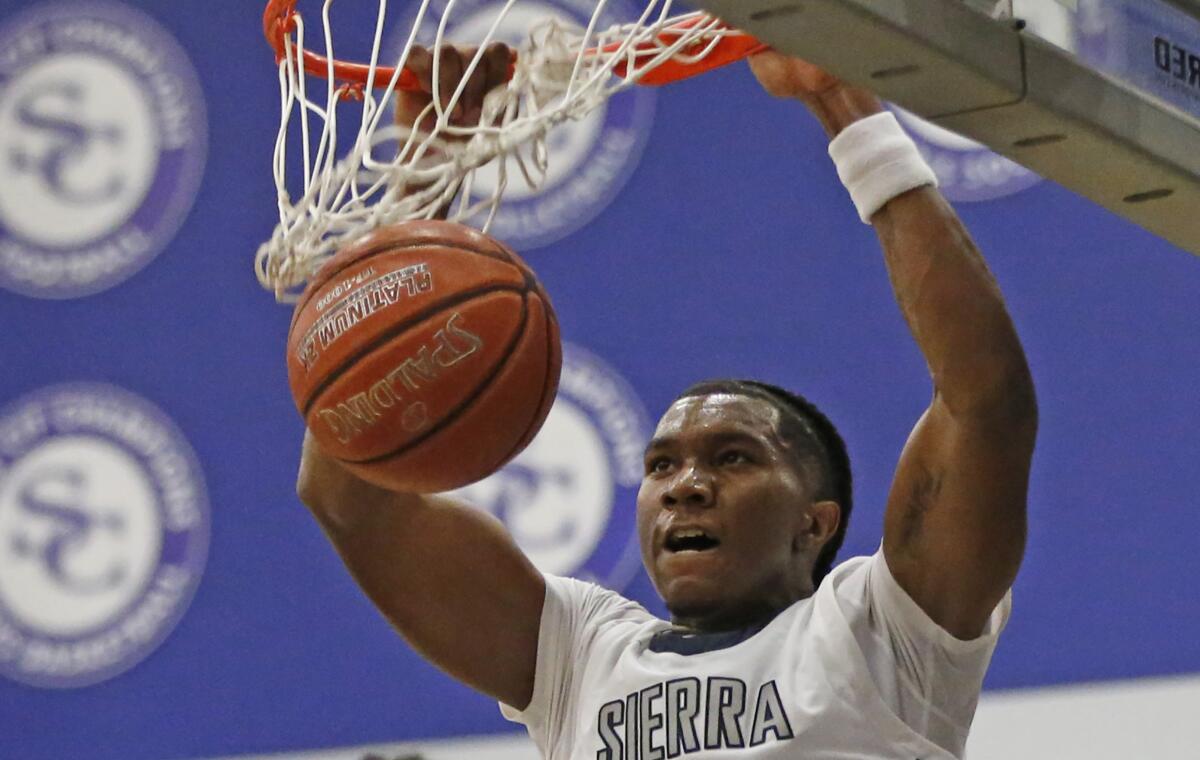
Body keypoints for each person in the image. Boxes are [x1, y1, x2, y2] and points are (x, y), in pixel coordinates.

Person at [296, 43, 1037, 760]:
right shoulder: (580, 657)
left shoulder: (882, 634)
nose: (686, 485)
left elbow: (986, 402)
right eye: (661, 465)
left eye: (734, 458)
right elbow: (350, 499)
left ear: (815, 524)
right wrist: (424, 185)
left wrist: (840, 100)